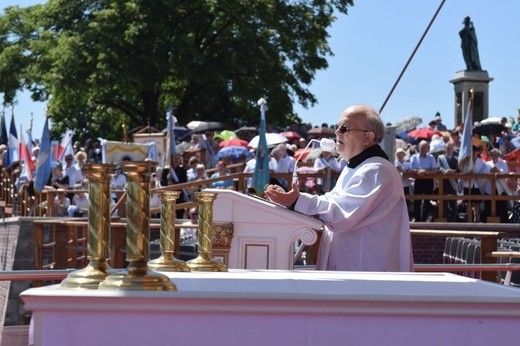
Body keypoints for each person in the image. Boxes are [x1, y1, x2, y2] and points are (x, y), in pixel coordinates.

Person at [264, 105, 413, 272]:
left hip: (365, 276)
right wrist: (293, 199)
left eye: (344, 128)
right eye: (337, 127)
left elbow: (341, 214)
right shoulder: (357, 167)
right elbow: (331, 200)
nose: (337, 133)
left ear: (368, 137)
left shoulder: (376, 170)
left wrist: (297, 201)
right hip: (351, 273)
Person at [410, 140, 438, 222]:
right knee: (417, 201)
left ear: (428, 149)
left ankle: (425, 219)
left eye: (425, 148)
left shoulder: (431, 157)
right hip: (418, 180)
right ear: (419, 148)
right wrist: (420, 171)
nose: (423, 149)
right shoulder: (414, 157)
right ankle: (418, 219)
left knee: (427, 201)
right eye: (421, 148)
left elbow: (435, 170)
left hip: (428, 181)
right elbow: (411, 169)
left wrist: (425, 171)